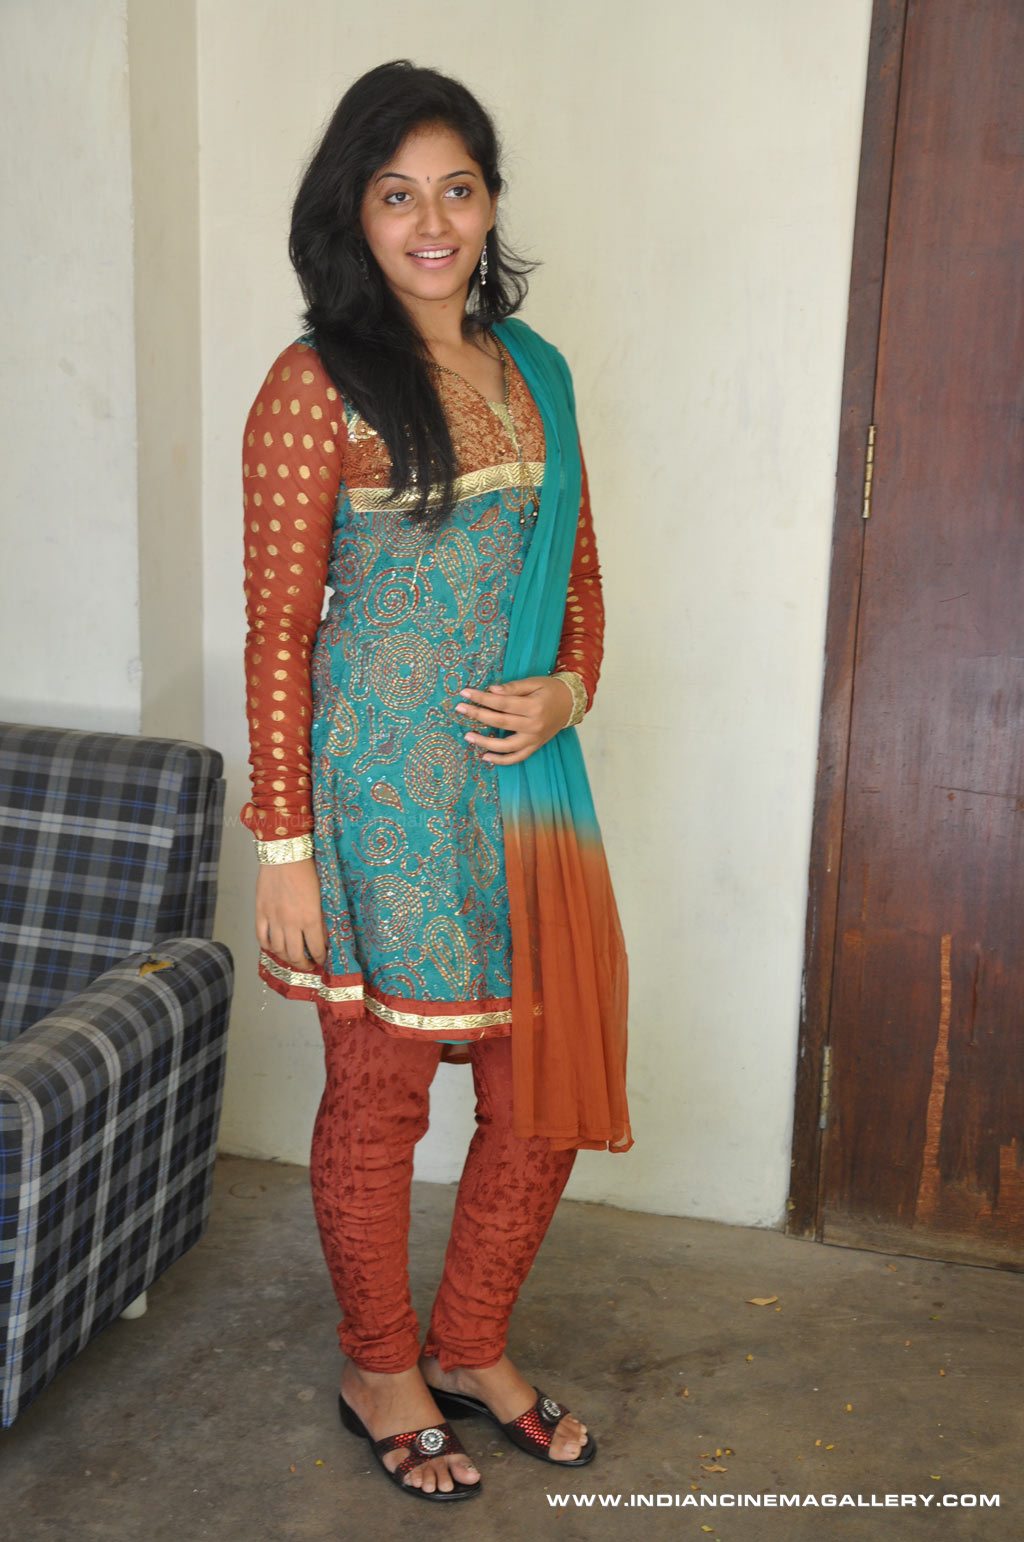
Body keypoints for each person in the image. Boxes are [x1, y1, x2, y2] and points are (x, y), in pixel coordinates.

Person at [239, 59, 632, 1503]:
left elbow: (577, 584)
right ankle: (380, 1365)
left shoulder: (538, 373)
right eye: (397, 194)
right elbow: (278, 632)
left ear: (490, 204)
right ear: (354, 212)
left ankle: (469, 1344)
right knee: (380, 1100)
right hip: (379, 805)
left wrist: (569, 690)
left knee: (540, 1094)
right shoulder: (314, 388)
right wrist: (283, 846)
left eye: (456, 190)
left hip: (525, 797)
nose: (431, 222)